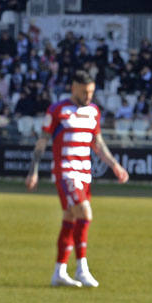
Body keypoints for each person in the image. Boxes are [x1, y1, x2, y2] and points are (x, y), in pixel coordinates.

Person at [24, 70, 129, 287]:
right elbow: (42, 142)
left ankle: (59, 272)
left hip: (84, 172)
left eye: (91, 92)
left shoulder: (93, 112)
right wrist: (33, 170)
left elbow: (98, 144)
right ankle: (82, 268)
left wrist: (115, 165)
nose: (88, 96)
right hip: (65, 170)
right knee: (85, 212)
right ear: (74, 88)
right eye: (84, 92)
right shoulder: (57, 110)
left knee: (70, 218)